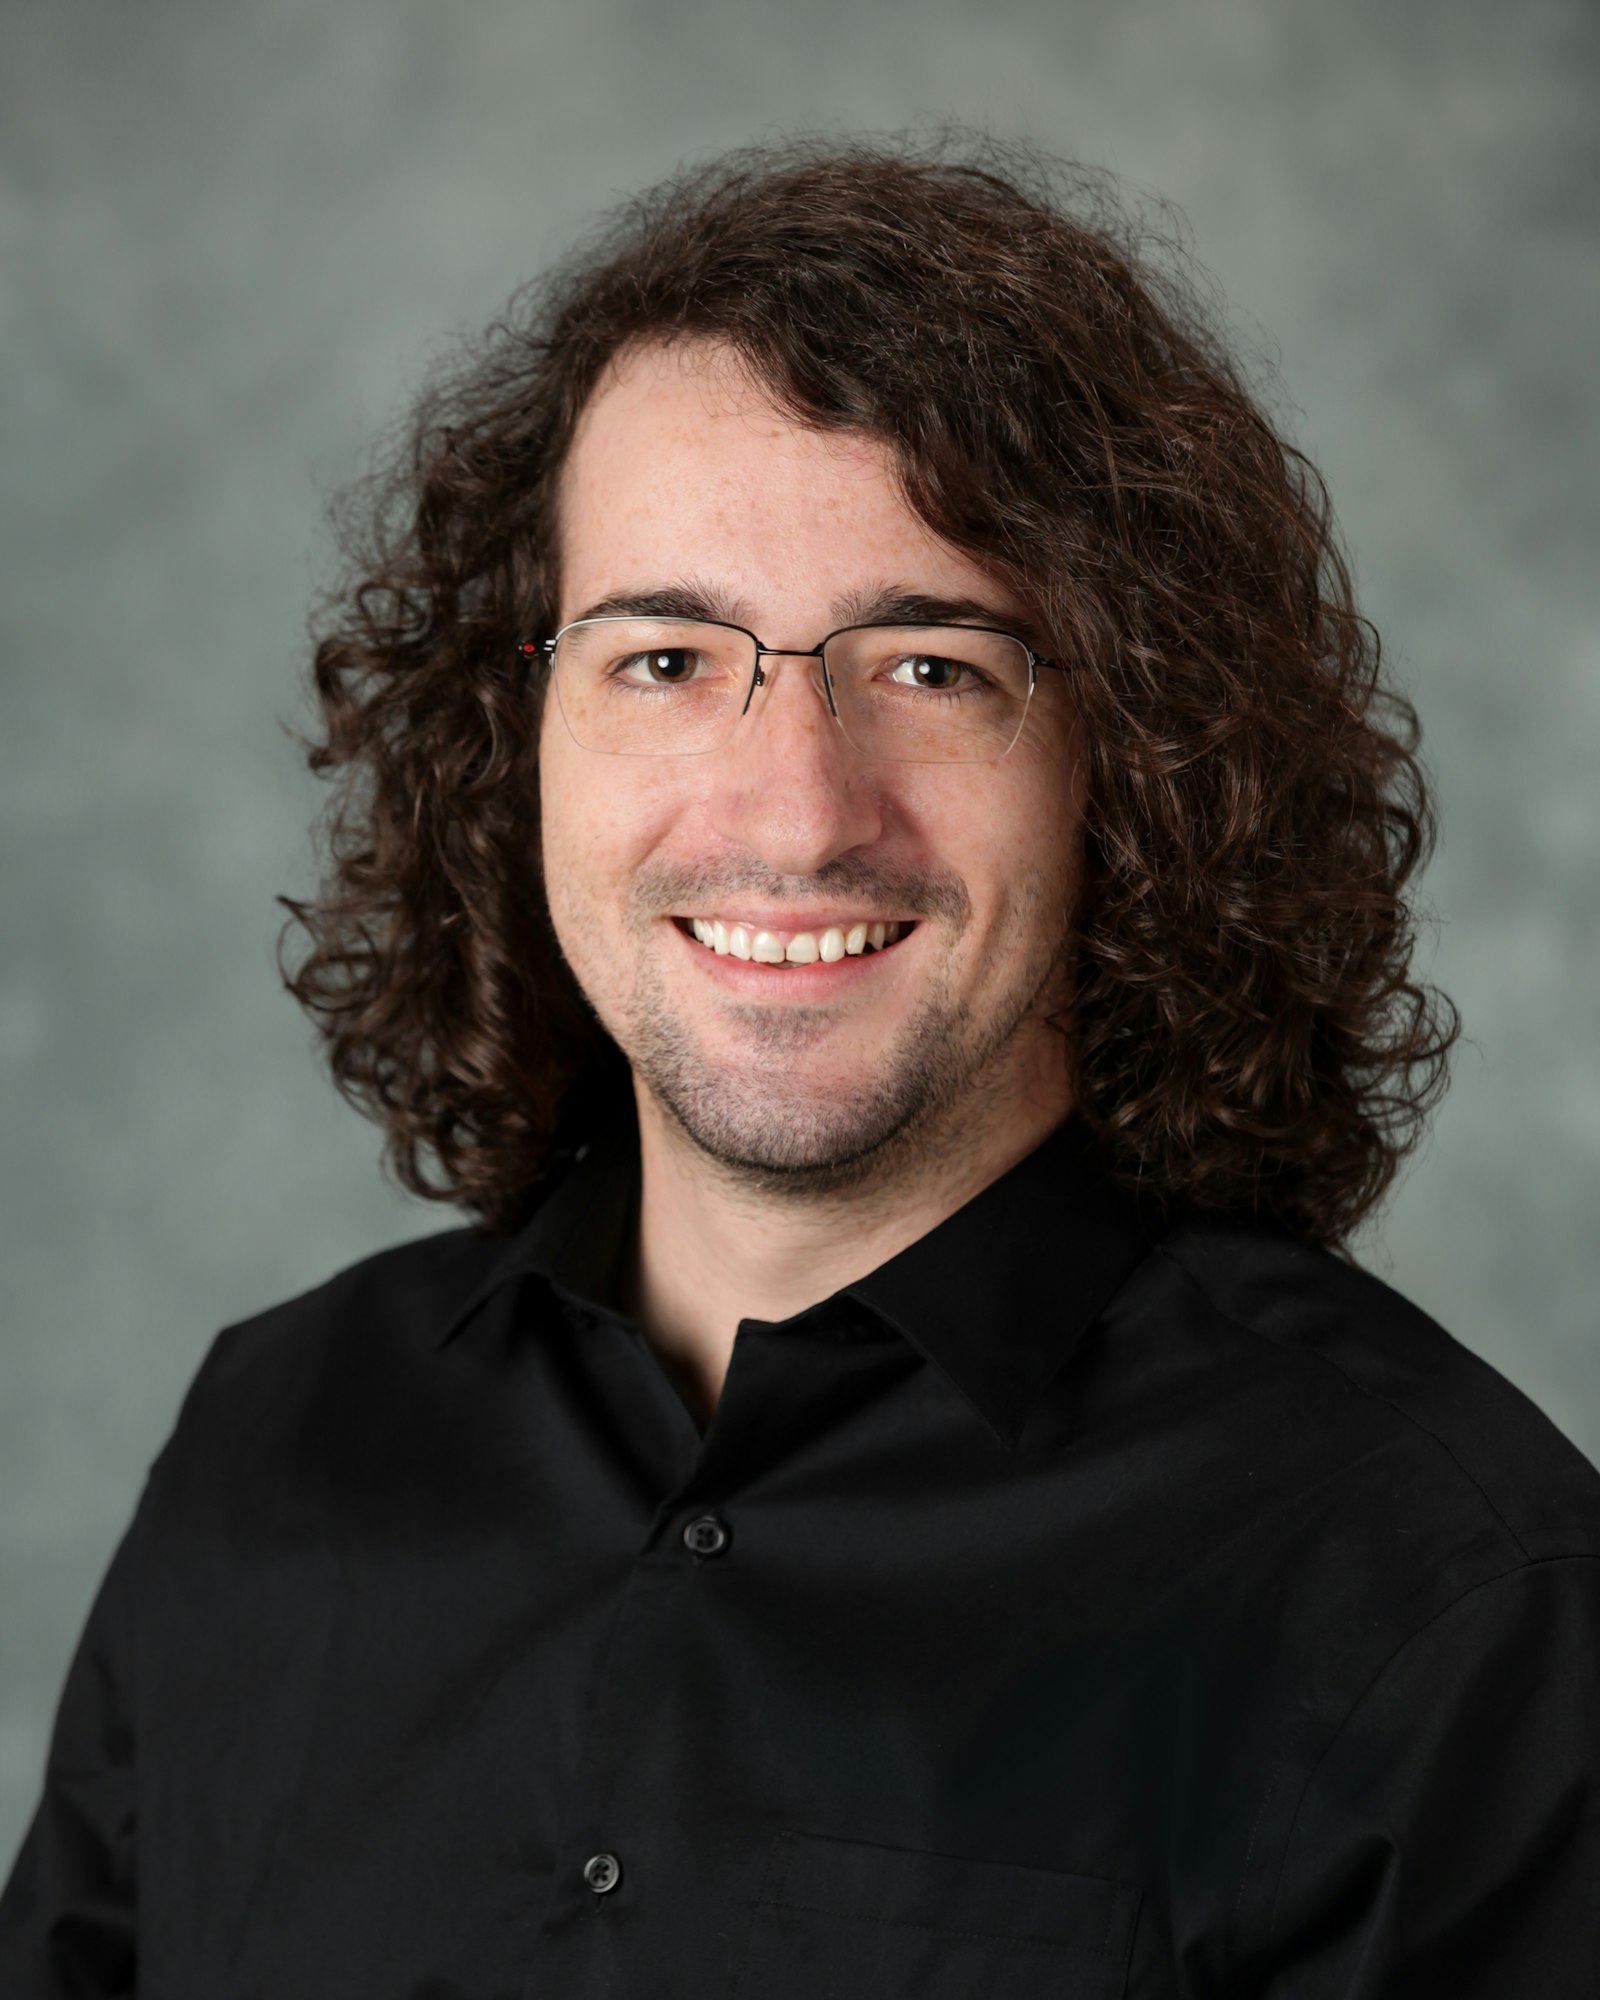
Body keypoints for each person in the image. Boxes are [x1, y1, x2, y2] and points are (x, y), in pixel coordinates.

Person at [3, 135, 1596, 1999]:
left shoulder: (1447, 1597)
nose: (795, 812)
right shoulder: (276, 1449)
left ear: (1140, 762)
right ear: (518, 738)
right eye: (666, 657)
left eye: (931, 665)